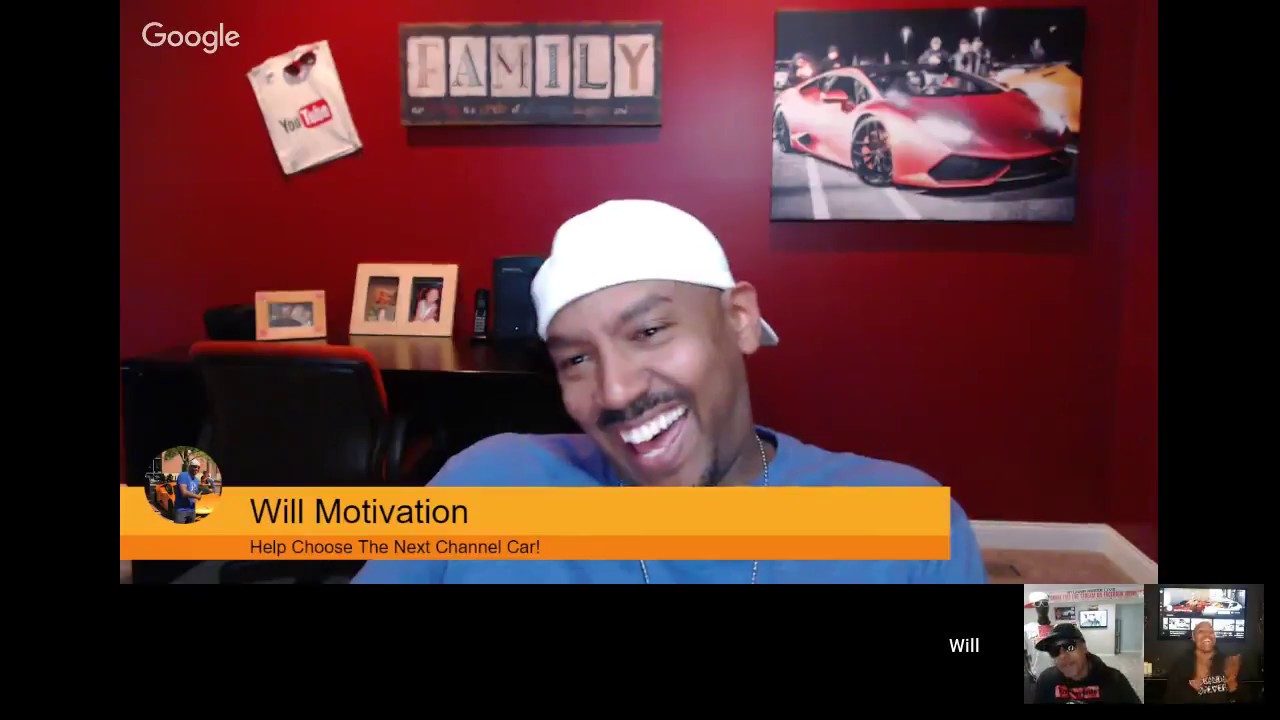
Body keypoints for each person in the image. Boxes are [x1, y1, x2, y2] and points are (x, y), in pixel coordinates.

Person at [351, 199, 987, 584]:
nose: (615, 390)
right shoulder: (487, 480)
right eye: (576, 359)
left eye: (649, 332)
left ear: (739, 319)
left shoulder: (911, 518)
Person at [1032, 623, 1142, 703]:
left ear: (1084, 647)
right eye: (1054, 651)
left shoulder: (1114, 681)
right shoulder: (1046, 681)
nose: (1063, 656)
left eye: (1069, 647)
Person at [1164, 621, 1244, 703]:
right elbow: (1171, 699)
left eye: (1211, 632)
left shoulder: (1228, 663)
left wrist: (1231, 682)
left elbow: (1240, 699)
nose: (1207, 635)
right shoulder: (1181, 666)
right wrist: (1193, 690)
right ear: (1193, 637)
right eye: (1201, 631)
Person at [1024, 591, 1055, 682]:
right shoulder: (1027, 629)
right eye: (1038, 604)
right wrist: (1028, 671)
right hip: (1037, 675)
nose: (1042, 607)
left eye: (1045, 604)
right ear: (1035, 607)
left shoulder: (1056, 628)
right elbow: (1024, 653)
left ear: (1048, 606)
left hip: (1056, 674)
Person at [172, 458, 203, 523]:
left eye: (198, 467)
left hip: (192, 511)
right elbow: (184, 493)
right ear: (189, 467)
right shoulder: (183, 475)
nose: (197, 469)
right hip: (181, 510)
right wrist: (197, 496)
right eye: (195, 466)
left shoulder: (196, 480)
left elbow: (193, 492)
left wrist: (197, 495)